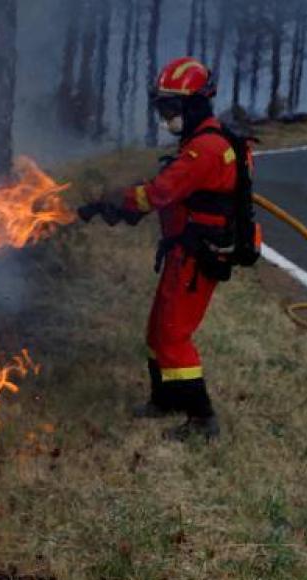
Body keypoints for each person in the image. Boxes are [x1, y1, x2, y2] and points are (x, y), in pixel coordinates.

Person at [80, 56, 257, 441]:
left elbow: (160, 192)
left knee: (173, 335)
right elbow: (173, 191)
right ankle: (165, 399)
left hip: (198, 256)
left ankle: (202, 419)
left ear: (195, 104)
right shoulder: (203, 143)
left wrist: (117, 199)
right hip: (184, 251)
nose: (166, 117)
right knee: (157, 329)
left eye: (172, 108)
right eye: (162, 107)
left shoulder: (205, 150)